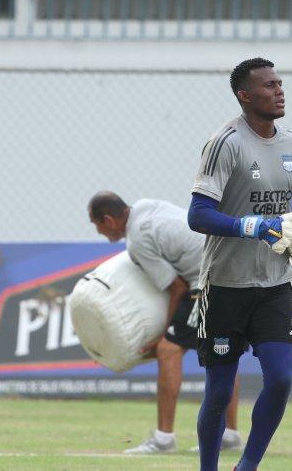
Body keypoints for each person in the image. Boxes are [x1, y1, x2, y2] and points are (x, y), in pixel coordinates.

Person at [187, 57, 292, 471]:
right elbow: (198, 215)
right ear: (245, 95)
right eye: (269, 85)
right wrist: (252, 226)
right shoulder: (226, 142)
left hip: (273, 286)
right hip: (225, 285)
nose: (279, 90)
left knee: (282, 378)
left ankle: (248, 465)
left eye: (280, 83)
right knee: (219, 392)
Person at [86, 191, 242, 455]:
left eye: (97, 225)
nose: (99, 232)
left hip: (208, 280)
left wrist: (162, 333)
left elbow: (177, 287)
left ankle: (163, 439)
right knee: (221, 352)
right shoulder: (145, 205)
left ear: (109, 220)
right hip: (232, 268)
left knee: (167, 350)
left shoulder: (137, 241)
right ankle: (229, 434)